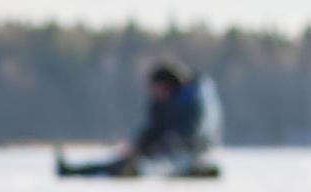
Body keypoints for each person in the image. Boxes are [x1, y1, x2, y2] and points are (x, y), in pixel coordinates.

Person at [57, 61, 222, 178]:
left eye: (154, 88)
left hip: (183, 157)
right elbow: (152, 130)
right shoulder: (163, 105)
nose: (151, 92)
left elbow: (190, 135)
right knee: (123, 163)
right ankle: (73, 171)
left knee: (145, 168)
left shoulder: (194, 106)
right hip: (161, 153)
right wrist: (137, 147)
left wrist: (157, 147)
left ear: (166, 87)